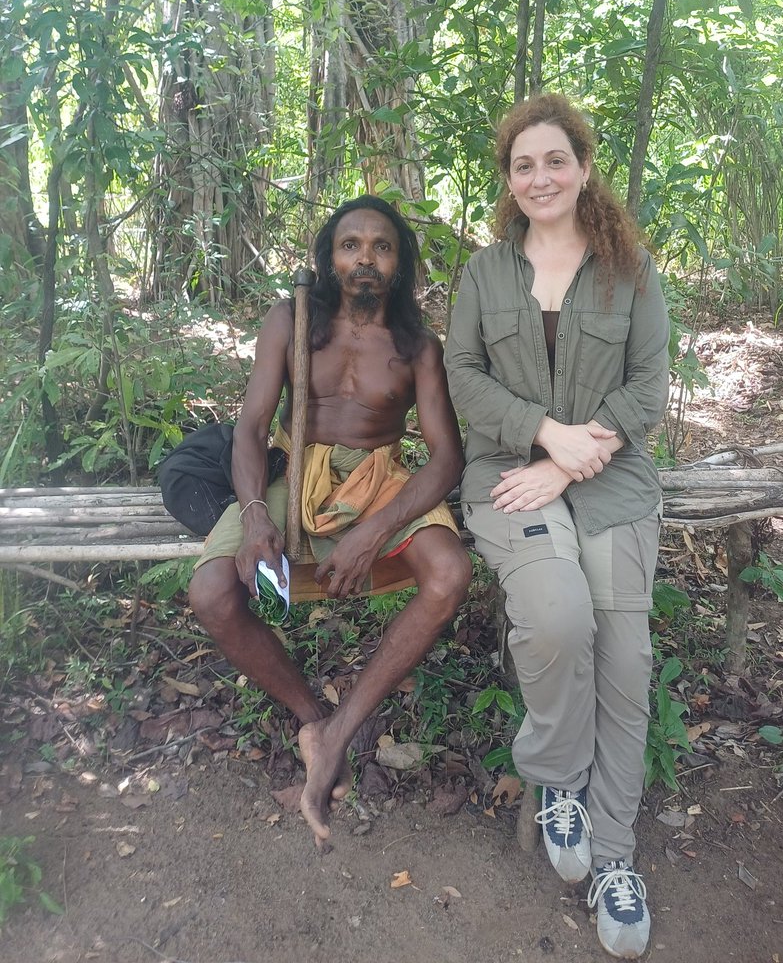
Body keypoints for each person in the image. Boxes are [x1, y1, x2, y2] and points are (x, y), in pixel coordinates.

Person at [444, 94, 669, 960]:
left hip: (610, 485)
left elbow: (649, 383)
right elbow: (463, 373)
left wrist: (575, 456)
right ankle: (557, 780)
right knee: (558, 618)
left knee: (626, 660)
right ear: (509, 179)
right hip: (509, 481)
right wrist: (542, 436)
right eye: (522, 164)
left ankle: (614, 852)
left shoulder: (628, 270)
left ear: (583, 168)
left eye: (555, 160)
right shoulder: (485, 273)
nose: (540, 177)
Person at [188, 195, 472, 847]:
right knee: (210, 592)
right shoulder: (291, 320)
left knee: (450, 572)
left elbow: (446, 456)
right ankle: (312, 717)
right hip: (298, 479)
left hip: (381, 482)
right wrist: (257, 515)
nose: (364, 258)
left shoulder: (417, 347)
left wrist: (375, 531)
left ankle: (343, 730)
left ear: (399, 264)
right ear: (329, 258)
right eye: (350, 245)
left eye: (380, 246)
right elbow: (253, 427)